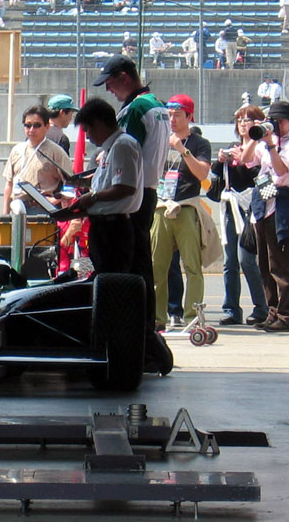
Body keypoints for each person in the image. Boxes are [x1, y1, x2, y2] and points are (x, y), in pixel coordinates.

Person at [94, 55, 170, 336]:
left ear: (124, 78)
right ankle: (145, 328)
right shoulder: (158, 105)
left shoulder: (135, 109)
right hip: (148, 191)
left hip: (130, 196)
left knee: (130, 266)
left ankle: (135, 330)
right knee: (141, 263)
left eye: (110, 83)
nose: (108, 90)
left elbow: (125, 152)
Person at [150, 95, 215, 330]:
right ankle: (158, 318)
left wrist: (182, 149)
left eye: (178, 115)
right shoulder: (158, 140)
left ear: (189, 116)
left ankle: (192, 316)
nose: (172, 119)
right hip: (160, 206)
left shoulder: (199, 143)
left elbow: (202, 174)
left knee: (192, 266)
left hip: (186, 206)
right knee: (158, 266)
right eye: (169, 115)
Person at [240, 100, 289, 332]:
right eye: (273, 121)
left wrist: (271, 146)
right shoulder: (266, 140)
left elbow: (282, 170)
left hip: (283, 202)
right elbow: (247, 161)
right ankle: (272, 311)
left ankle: (287, 315)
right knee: (264, 263)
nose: (277, 126)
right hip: (263, 201)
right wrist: (254, 136)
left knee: (281, 262)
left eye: (281, 121)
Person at [62, 98, 142, 274]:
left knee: (112, 280)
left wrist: (93, 197)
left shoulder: (122, 145)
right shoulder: (111, 148)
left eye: (87, 130)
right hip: (103, 225)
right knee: (103, 277)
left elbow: (125, 187)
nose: (88, 136)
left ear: (98, 124)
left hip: (114, 228)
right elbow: (107, 181)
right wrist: (80, 183)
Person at [211, 104, 270, 326]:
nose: (243, 124)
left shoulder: (263, 149)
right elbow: (215, 174)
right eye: (240, 120)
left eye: (248, 120)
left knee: (247, 259)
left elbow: (266, 184)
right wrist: (221, 159)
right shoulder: (233, 147)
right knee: (230, 262)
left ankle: (261, 306)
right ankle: (231, 308)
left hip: (251, 209)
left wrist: (245, 163)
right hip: (231, 208)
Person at [2, 106, 73, 215]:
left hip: (41, 209)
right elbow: (9, 183)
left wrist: (55, 200)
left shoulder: (56, 151)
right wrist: (5, 213)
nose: (31, 130)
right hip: (17, 208)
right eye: (28, 125)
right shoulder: (17, 150)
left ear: (47, 126)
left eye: (37, 125)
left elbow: (70, 183)